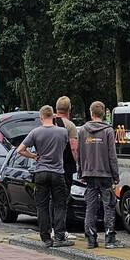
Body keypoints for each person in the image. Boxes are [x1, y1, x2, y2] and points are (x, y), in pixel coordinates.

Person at [17, 106, 73, 247]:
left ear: (41, 117)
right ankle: (60, 237)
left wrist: (34, 156)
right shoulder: (63, 132)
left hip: (41, 172)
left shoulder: (35, 132)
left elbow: (20, 150)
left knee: (42, 206)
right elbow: (66, 149)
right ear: (53, 116)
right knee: (60, 205)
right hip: (58, 173)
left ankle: (46, 239)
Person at [77, 101, 122, 249]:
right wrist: (116, 175)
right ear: (103, 114)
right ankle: (109, 238)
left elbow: (80, 153)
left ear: (91, 113)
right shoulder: (108, 131)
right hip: (105, 174)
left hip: (89, 173)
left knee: (91, 206)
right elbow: (112, 155)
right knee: (108, 205)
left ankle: (91, 239)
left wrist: (81, 172)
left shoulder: (83, 130)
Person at [52, 96, 78, 230]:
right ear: (69, 109)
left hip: (48, 167)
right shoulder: (70, 126)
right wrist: (79, 164)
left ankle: (51, 229)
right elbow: (74, 148)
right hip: (65, 168)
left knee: (52, 200)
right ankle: (60, 230)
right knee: (62, 200)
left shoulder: (48, 122)